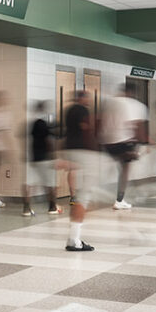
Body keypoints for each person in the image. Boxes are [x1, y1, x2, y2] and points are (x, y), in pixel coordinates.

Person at [99, 80, 148, 210]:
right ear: (132, 92)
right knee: (126, 169)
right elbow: (137, 126)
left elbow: (100, 121)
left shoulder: (109, 102)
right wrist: (141, 143)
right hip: (125, 141)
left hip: (107, 142)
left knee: (119, 165)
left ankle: (114, 190)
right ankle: (120, 199)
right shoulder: (136, 105)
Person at [59, 90, 98, 251]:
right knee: (85, 196)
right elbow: (85, 129)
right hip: (83, 152)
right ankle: (74, 240)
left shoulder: (68, 110)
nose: (88, 100)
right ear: (81, 98)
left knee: (80, 195)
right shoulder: (82, 111)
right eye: (86, 97)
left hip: (69, 150)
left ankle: (73, 237)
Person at [21, 100, 59, 217]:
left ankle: (26, 208)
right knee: (50, 183)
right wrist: (53, 154)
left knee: (29, 183)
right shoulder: (43, 123)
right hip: (44, 158)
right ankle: (52, 207)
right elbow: (48, 140)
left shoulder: (30, 123)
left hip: (33, 158)